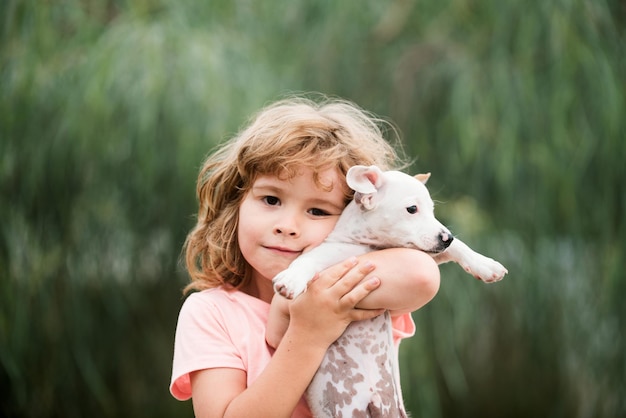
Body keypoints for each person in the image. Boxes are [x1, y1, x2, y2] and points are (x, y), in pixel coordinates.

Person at [170, 94, 440, 417]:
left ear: (354, 217)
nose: (288, 226)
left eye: (316, 210)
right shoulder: (210, 313)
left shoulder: (352, 292)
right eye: (271, 200)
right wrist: (309, 332)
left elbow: (422, 275)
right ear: (236, 205)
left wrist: (303, 299)